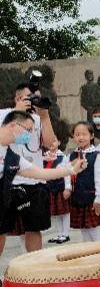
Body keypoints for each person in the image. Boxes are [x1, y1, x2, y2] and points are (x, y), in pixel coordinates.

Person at [0, 112, 86, 255]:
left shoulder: (12, 157)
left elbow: (40, 173)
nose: (29, 134)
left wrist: (71, 169)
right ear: (13, 125)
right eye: (27, 129)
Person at [0, 83, 59, 252]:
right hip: (7, 182)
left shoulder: (38, 119)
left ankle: (36, 272)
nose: (34, 101)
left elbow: (50, 143)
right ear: (18, 98)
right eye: (29, 98)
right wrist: (17, 111)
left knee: (34, 228)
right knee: (1, 229)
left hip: (34, 181)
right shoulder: (4, 114)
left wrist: (45, 115)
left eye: (36, 98)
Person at [68, 122, 100, 242]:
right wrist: (68, 188)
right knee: (83, 230)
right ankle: (90, 256)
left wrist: (99, 198)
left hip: (91, 198)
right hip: (77, 197)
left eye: (84, 134)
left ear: (91, 136)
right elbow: (67, 174)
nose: (81, 137)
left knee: (94, 230)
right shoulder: (71, 156)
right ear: (73, 137)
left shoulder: (96, 155)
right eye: (77, 134)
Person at [44, 140, 71, 244]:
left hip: (61, 188)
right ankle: (60, 234)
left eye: (54, 140)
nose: (51, 143)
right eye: (49, 140)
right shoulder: (44, 157)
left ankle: (66, 234)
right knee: (56, 213)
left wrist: (67, 188)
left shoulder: (62, 157)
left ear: (59, 142)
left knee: (64, 212)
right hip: (50, 188)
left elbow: (67, 173)